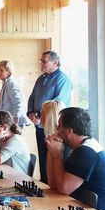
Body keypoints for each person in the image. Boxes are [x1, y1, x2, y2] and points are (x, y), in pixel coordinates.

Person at [45, 107, 105, 210]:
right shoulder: (81, 148)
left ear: (69, 131)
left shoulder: (87, 151)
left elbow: (64, 189)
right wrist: (51, 151)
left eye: (59, 127)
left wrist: (57, 156)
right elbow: (53, 185)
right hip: (80, 208)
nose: (56, 131)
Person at [27, 51, 72, 182]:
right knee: (43, 158)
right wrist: (30, 113)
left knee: (54, 158)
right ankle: (44, 184)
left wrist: (42, 114)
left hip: (53, 126)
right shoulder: (41, 79)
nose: (41, 63)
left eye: (44, 61)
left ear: (55, 62)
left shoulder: (63, 78)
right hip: (39, 125)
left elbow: (58, 101)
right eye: (41, 61)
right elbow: (32, 97)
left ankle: (54, 186)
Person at [0, 110, 31, 175]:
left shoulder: (15, 140)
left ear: (4, 127)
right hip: (5, 175)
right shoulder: (1, 138)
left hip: (18, 177)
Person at [0, 60, 28, 128]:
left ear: (9, 72)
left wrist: (15, 119)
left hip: (14, 121)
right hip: (8, 120)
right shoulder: (5, 83)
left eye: (1, 70)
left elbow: (17, 101)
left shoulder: (11, 83)